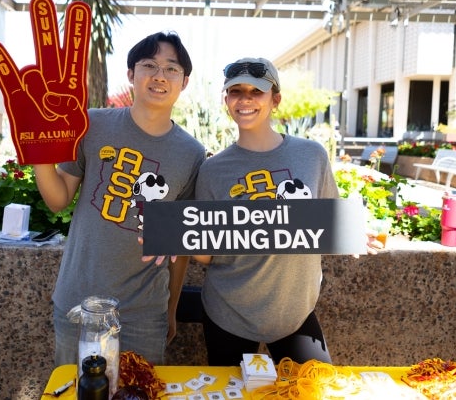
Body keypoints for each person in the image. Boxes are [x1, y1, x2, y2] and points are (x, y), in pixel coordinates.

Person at [34, 31, 206, 365]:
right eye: (149, 65)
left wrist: (170, 310)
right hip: (78, 303)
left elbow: (181, 246)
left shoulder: (192, 153)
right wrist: (39, 152)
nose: (159, 76)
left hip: (144, 314)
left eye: (172, 69)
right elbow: (58, 199)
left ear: (184, 82)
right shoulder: (92, 124)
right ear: (131, 75)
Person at [193, 57, 338, 366]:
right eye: (235, 92)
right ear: (226, 101)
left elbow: (329, 221)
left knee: (317, 390)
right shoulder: (212, 170)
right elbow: (204, 257)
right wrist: (176, 237)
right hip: (228, 312)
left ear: (276, 100)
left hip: (296, 313)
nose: (244, 100)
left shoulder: (312, 156)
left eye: (256, 92)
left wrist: (355, 232)